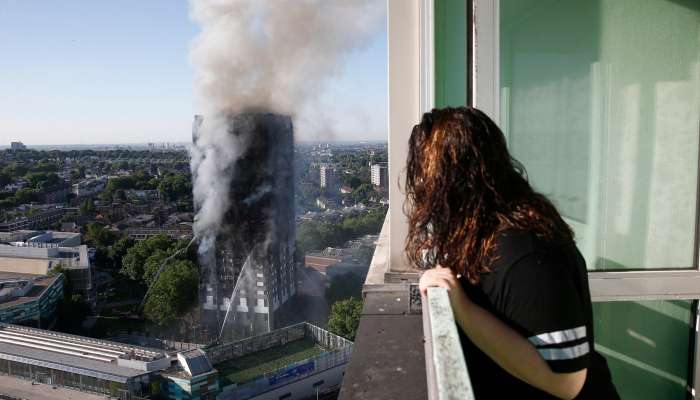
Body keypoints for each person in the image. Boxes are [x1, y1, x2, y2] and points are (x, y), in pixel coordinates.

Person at [408, 107, 619, 399]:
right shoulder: (493, 232)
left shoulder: (524, 250)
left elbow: (567, 382)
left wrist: (463, 309)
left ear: (450, 181)